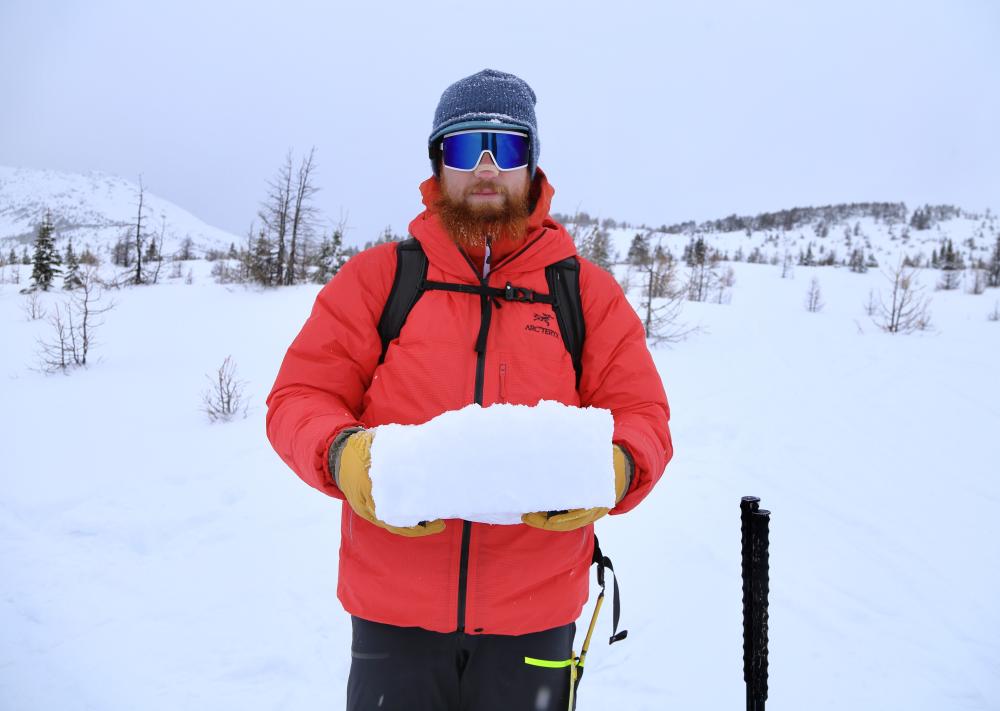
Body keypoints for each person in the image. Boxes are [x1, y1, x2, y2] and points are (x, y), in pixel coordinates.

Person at [266, 68, 672, 711]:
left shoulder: (585, 294)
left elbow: (643, 414)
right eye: (464, 148)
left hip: (535, 619)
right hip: (393, 618)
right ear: (438, 163)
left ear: (531, 165)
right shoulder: (379, 280)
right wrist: (343, 455)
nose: (486, 168)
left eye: (506, 148)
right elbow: (299, 397)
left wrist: (618, 469)